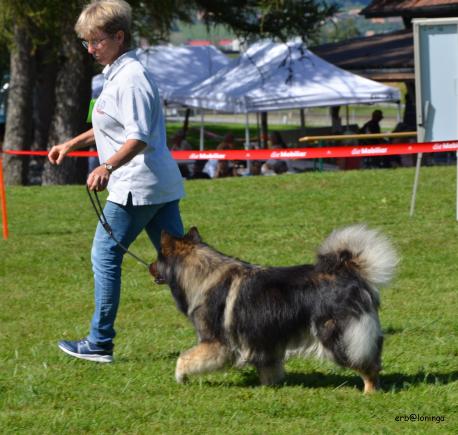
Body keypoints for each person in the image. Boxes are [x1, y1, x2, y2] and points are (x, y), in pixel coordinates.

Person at [47, 0, 185, 363]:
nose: (90, 49)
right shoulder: (119, 75)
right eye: (86, 43)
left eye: (95, 41)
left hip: (136, 185)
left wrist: (106, 166)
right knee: (183, 266)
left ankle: (99, 342)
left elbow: (137, 137)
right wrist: (71, 144)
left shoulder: (132, 79)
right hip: (155, 185)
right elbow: (110, 124)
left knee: (105, 254)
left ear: (118, 36)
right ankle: (225, 331)